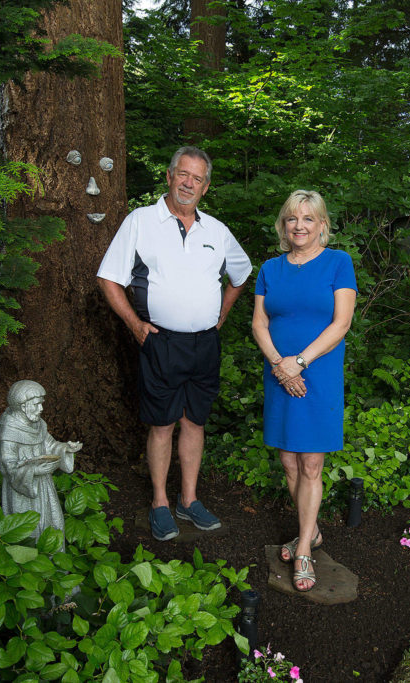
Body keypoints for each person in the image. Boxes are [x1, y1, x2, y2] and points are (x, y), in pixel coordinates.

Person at [97, 146, 251, 541]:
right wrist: (135, 325)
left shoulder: (216, 231)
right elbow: (108, 278)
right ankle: (161, 503)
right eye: (183, 174)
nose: (188, 183)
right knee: (163, 424)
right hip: (160, 342)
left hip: (204, 345)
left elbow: (241, 274)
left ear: (206, 187)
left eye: (197, 178)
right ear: (168, 176)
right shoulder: (141, 221)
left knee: (194, 422)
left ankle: (190, 498)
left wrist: (221, 316)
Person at [251, 189, 357, 591]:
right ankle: (308, 530)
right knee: (289, 463)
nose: (300, 226)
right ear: (284, 225)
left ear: (322, 226)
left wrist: (299, 362)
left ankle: (305, 551)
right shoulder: (270, 269)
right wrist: (280, 364)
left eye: (308, 219)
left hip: (318, 374)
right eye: (293, 218)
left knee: (311, 464)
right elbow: (259, 324)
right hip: (280, 374)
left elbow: (341, 323)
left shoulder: (338, 263)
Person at [0, 380, 83, 543]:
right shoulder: (9, 430)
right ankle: (29, 562)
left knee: (52, 522)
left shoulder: (38, 424)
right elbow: (7, 466)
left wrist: (66, 448)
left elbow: (49, 445)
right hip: (22, 489)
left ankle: (53, 562)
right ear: (23, 406)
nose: (41, 409)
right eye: (36, 404)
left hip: (44, 485)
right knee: (28, 529)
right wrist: (34, 471)